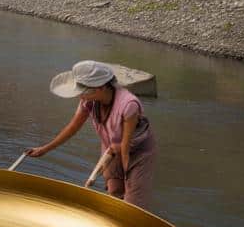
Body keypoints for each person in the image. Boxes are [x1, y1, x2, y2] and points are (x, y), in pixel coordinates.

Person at [27, 61, 158, 209]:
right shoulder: (88, 100)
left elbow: (126, 150)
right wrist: (45, 149)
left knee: (133, 204)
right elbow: (73, 127)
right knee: (114, 191)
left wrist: (128, 179)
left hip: (137, 152)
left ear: (100, 88)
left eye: (83, 92)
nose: (80, 96)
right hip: (112, 147)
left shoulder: (128, 105)